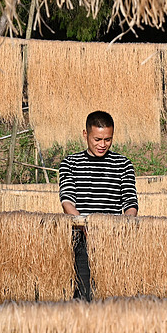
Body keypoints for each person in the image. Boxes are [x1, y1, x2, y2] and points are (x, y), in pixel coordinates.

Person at [59, 111, 138, 300]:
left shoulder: (123, 164)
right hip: (81, 239)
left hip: (113, 239)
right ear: (86, 135)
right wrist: (85, 226)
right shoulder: (70, 164)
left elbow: (130, 202)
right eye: (97, 139)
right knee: (84, 295)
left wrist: (123, 225)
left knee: (114, 296)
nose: (102, 145)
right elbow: (67, 200)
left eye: (107, 139)